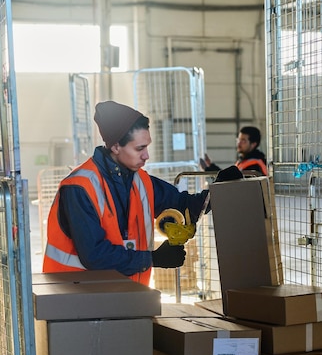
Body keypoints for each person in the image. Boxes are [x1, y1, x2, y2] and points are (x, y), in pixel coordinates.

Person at [42, 100, 211, 286]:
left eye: (147, 146)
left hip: (123, 293)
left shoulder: (141, 181)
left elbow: (183, 205)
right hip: (76, 297)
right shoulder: (79, 188)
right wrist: (153, 259)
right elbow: (95, 255)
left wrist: (219, 189)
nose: (146, 155)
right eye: (140, 148)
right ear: (115, 147)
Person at [200, 126, 268, 175]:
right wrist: (211, 166)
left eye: (243, 140)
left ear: (253, 144)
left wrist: (208, 169)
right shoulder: (243, 161)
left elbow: (232, 182)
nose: (239, 143)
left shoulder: (255, 164)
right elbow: (229, 177)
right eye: (238, 139)